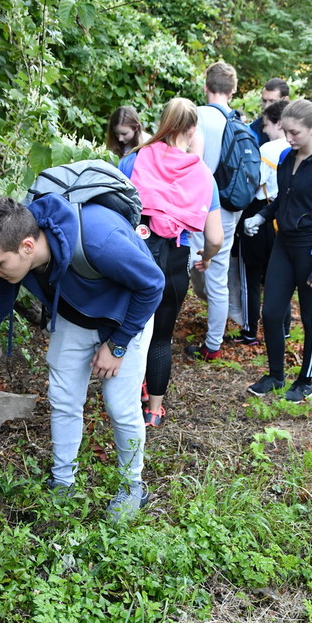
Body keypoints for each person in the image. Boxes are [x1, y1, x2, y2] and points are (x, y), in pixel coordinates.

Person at [0, 193, 165, 521]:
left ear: (27, 247)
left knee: (120, 406)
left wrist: (117, 345)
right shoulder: (12, 261)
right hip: (73, 316)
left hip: (126, 315)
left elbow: (152, 285)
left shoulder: (99, 240)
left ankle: (132, 485)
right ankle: (62, 483)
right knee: (63, 399)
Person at [119, 98, 223, 426]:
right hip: (176, 261)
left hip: (136, 256)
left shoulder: (133, 160)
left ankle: (126, 396)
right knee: (162, 336)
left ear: (163, 122)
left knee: (132, 331)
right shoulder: (203, 175)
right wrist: (205, 258)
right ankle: (153, 411)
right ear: (192, 131)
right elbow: (216, 237)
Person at [244, 99, 312, 403]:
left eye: (295, 133)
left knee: (311, 318)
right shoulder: (288, 158)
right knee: (272, 313)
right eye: (285, 132)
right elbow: (282, 200)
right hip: (284, 247)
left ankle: (306, 381)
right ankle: (276, 375)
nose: (288, 138)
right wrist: (263, 215)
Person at [185, 61, 244, 361]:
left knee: (183, 266)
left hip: (195, 205)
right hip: (228, 209)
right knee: (218, 275)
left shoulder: (195, 115)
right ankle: (213, 345)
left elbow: (189, 163)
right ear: (233, 90)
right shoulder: (238, 121)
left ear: (205, 86)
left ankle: (157, 332)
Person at [236, 99, 290, 345]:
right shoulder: (295, 147)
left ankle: (249, 330)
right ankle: (284, 328)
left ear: (278, 123)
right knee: (279, 277)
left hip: (260, 212)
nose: (264, 130)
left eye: (267, 125)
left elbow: (256, 184)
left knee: (250, 275)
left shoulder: (268, 149)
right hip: (283, 215)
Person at [250, 78, 290, 146]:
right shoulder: (252, 130)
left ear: (285, 99)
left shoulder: (299, 127)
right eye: (264, 101)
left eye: (272, 101)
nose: (266, 106)